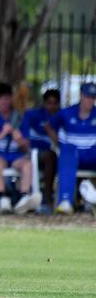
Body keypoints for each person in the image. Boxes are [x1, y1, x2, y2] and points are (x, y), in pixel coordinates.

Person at [0, 82, 41, 214]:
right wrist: (1, 134)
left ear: (11, 98)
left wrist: (19, 139)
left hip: (15, 156)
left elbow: (27, 145)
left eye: (6, 98)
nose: (3, 101)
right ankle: (2, 198)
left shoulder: (20, 117)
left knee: (28, 165)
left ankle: (23, 198)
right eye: (0, 98)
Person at [45, 82, 96, 214]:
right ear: (81, 96)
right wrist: (58, 144)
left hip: (92, 152)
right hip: (73, 152)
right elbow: (49, 126)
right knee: (66, 153)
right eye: (87, 96)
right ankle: (65, 201)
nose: (90, 100)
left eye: (92, 97)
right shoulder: (67, 113)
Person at [19, 89, 61, 213]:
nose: (52, 106)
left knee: (55, 157)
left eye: (55, 103)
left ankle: (52, 197)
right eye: (49, 103)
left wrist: (50, 130)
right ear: (44, 103)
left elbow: (60, 143)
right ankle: (47, 197)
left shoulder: (61, 117)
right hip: (32, 153)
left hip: (53, 156)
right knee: (50, 156)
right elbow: (24, 139)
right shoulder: (32, 115)